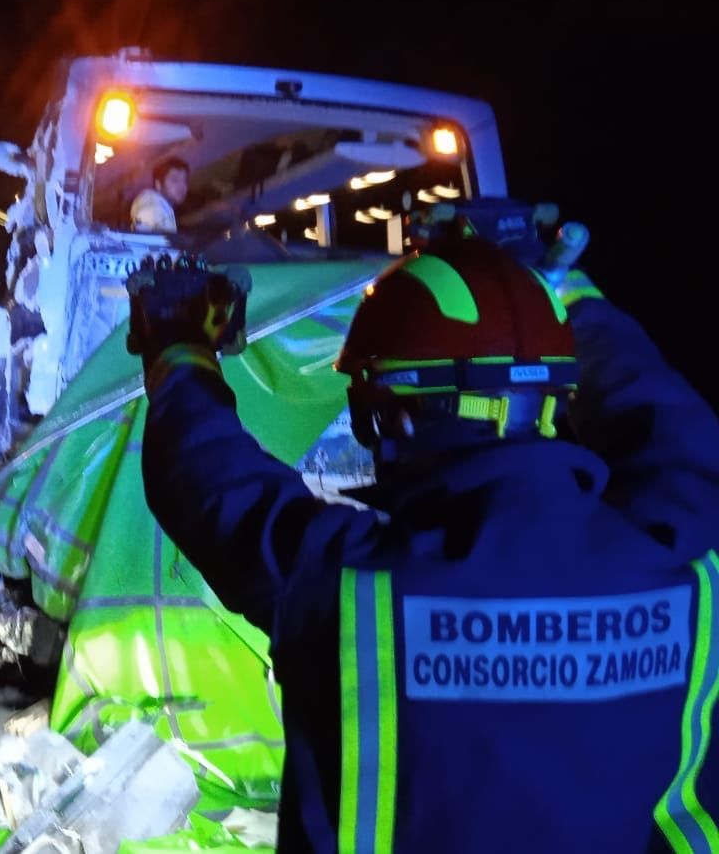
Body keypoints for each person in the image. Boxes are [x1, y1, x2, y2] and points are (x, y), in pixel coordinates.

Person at [129, 205, 719, 852]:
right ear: (556, 399)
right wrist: (562, 288)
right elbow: (673, 429)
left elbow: (205, 480)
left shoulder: (358, 591)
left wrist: (178, 347)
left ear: (390, 417)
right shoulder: (683, 559)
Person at [131, 156, 191, 232]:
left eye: (185, 181)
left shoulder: (162, 207)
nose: (182, 186)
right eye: (175, 180)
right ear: (158, 184)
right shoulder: (152, 205)